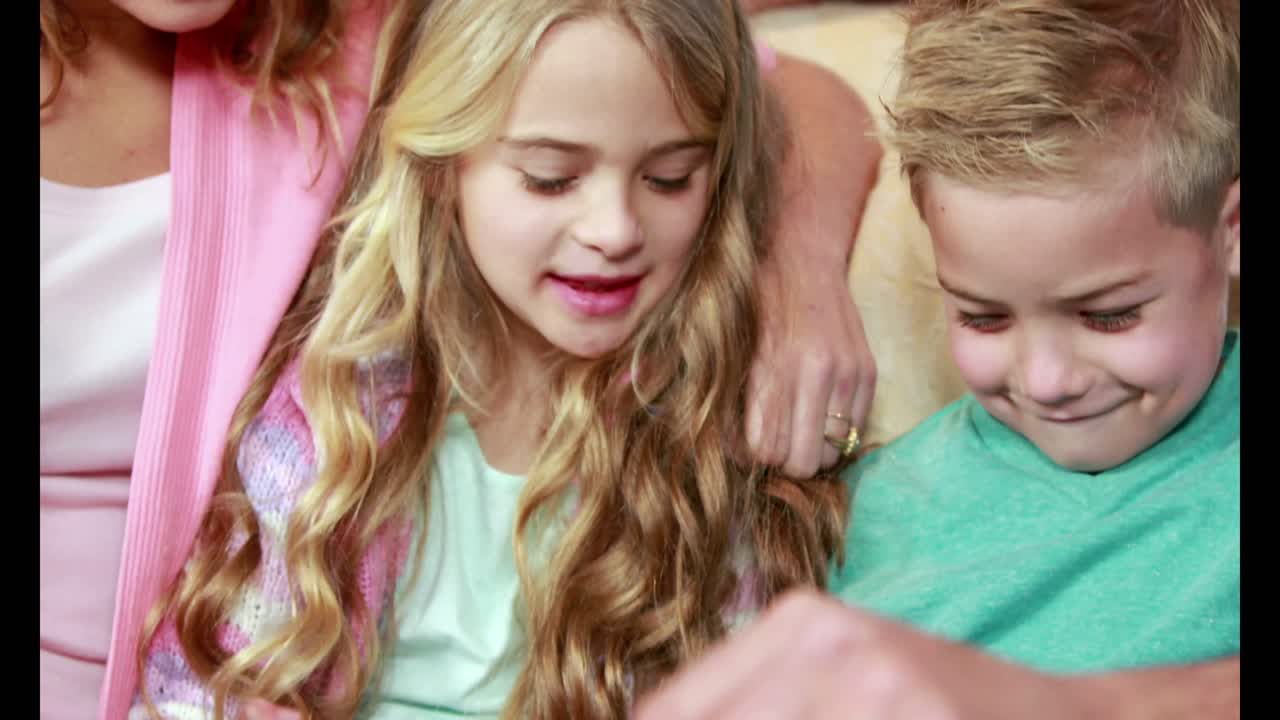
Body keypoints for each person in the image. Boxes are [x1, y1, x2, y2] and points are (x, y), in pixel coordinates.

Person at [40, 1, 880, 718]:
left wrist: (800, 278)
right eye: (550, 178)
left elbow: (755, 86)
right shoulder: (340, 429)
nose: (615, 229)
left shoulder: (358, 30)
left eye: (668, 180)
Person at [635, 0, 1241, 717]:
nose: (1047, 380)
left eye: (1109, 315)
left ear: (1230, 232)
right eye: (982, 317)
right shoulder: (878, 500)